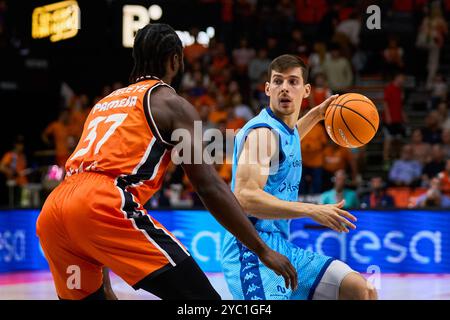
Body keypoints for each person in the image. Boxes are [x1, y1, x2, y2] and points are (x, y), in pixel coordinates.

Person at [36, 23, 296, 300]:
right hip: (101, 202)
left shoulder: (103, 103)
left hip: (55, 208)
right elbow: (208, 186)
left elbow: (86, 204)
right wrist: (262, 249)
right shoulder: (172, 104)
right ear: (175, 60)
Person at [221, 54, 377, 300]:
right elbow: (244, 198)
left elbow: (287, 142)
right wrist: (312, 210)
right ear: (267, 89)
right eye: (278, 81)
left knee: (361, 290)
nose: (284, 88)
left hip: (283, 247)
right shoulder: (262, 135)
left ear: (305, 90)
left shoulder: (285, 130)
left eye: (293, 82)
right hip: (251, 250)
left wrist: (316, 115)